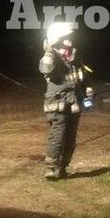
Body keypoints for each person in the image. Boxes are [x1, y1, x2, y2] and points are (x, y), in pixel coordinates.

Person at [39, 22, 92, 180]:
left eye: (71, 36)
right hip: (58, 103)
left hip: (74, 102)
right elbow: (46, 69)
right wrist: (49, 48)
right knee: (58, 134)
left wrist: (87, 90)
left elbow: (82, 76)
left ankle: (62, 166)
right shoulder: (52, 56)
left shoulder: (75, 57)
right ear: (57, 38)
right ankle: (51, 167)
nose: (70, 39)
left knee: (71, 137)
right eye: (66, 37)